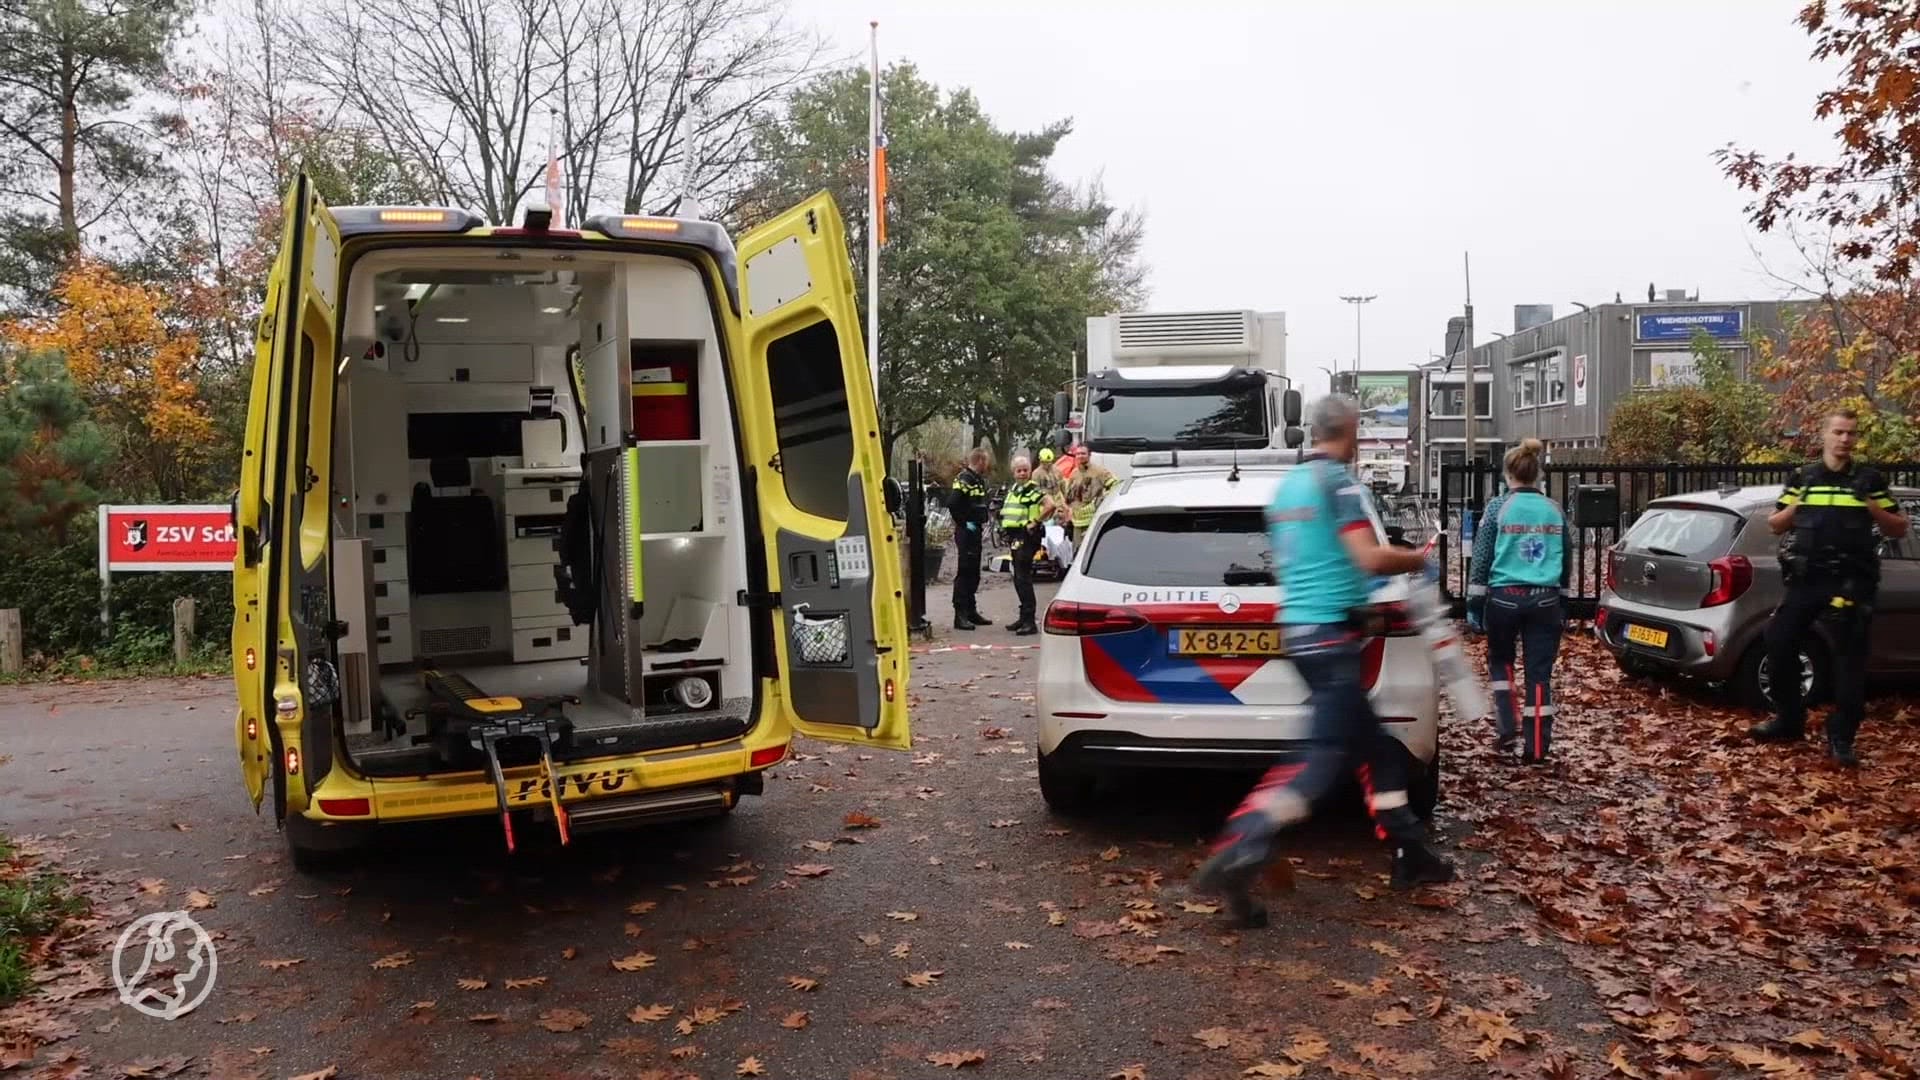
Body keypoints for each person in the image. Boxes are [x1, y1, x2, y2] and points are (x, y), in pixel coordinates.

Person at [1192, 395, 1454, 927]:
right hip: (1332, 637)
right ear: (1352, 431)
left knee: (1376, 749)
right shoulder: (1337, 483)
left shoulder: (1288, 487)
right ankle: (1245, 840)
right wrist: (1417, 558)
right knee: (1321, 757)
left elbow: (1319, 560)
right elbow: (1367, 557)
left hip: (1301, 631)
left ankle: (1409, 851)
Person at [1749, 409, 1908, 766]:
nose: (1845, 439)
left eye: (1851, 433)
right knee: (1777, 639)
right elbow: (1775, 525)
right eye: (1838, 432)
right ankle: (1789, 719)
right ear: (1824, 435)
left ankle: (1841, 737)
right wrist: (1796, 508)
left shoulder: (1869, 481)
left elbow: (1898, 528)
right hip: (1809, 579)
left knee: (1850, 661)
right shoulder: (1803, 478)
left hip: (1853, 581)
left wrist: (1871, 507)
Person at [1465, 438, 1570, 764]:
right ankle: (1537, 747)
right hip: (1545, 600)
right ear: (1537, 474)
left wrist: (1474, 604)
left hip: (1504, 600)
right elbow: (1567, 556)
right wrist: (1562, 599)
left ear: (1508, 474)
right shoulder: (1554, 510)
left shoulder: (1498, 508)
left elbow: (1481, 559)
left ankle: (1507, 725)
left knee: (1501, 663)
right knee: (1539, 675)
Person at [947, 447, 994, 632]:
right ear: (981, 461)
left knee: (974, 572)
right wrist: (963, 523)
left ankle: (971, 610)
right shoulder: (965, 479)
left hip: (975, 530)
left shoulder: (976, 479)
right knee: (965, 572)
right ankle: (960, 615)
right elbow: (952, 502)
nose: (987, 465)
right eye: (986, 461)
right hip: (967, 531)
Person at [999, 455, 1047, 635]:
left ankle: (1029, 621)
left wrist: (1035, 522)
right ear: (1013, 473)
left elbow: (1049, 505)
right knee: (1018, 577)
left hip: (1026, 537)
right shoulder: (1015, 489)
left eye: (1025, 470)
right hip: (1015, 536)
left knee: (1023, 578)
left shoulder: (1031, 490)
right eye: (1019, 470)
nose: (1022, 473)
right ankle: (1023, 617)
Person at [1061, 444, 1116, 546]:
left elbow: (1115, 486)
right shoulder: (1074, 474)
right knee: (1077, 552)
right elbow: (1069, 497)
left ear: (1089, 455)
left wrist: (1102, 500)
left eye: (1083, 453)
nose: (1080, 456)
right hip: (1077, 522)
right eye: (1078, 454)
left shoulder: (1099, 471)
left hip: (1093, 520)